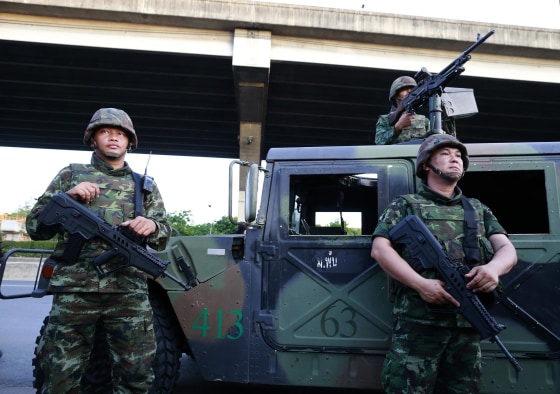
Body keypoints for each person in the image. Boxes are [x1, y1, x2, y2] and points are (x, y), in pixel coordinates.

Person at [26, 108, 171, 393]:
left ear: (130, 142)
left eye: (121, 134)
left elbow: (164, 235)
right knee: (59, 372)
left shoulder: (145, 186)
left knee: (137, 374)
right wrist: (67, 197)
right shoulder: (70, 175)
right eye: (106, 132)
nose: (114, 138)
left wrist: (152, 226)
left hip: (128, 292)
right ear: (93, 139)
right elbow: (35, 228)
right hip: (75, 291)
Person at [370, 134, 517, 393]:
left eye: (459, 156)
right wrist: (420, 284)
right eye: (446, 154)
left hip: (466, 327)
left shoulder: (477, 209)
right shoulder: (406, 206)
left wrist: (493, 269)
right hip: (419, 325)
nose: (455, 159)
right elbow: (381, 250)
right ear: (426, 164)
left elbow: (506, 249)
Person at [375, 76, 431, 145]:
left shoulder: (424, 120)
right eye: (405, 89)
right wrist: (397, 127)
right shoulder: (385, 120)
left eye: (412, 89)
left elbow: (431, 144)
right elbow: (379, 143)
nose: (409, 91)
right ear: (396, 95)